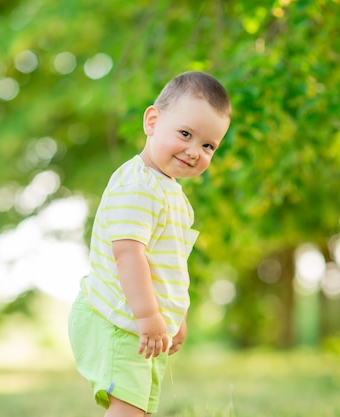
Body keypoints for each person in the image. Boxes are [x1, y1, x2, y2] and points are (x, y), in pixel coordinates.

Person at [68, 71, 231, 417]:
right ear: (153, 121)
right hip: (119, 318)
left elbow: (168, 265)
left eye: (208, 146)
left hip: (138, 320)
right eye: (185, 134)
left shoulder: (170, 191)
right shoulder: (139, 185)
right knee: (128, 410)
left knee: (138, 410)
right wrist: (149, 314)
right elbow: (128, 254)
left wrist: (174, 315)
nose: (194, 151)